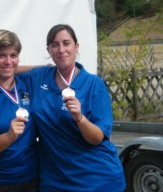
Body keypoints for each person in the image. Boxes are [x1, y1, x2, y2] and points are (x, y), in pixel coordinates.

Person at [21, 24, 126, 191]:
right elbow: (6, 69)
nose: (61, 49)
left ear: (76, 47)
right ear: (48, 50)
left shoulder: (93, 84)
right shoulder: (38, 78)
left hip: (97, 179)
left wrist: (80, 118)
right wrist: (42, 67)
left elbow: (97, 138)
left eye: (66, 43)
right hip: (55, 180)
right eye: (54, 45)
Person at [0, 30, 39, 192]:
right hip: (1, 182)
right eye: (1, 55)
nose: (8, 61)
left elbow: (49, 71)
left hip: (35, 176)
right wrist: (8, 136)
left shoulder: (27, 83)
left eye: (13, 55)